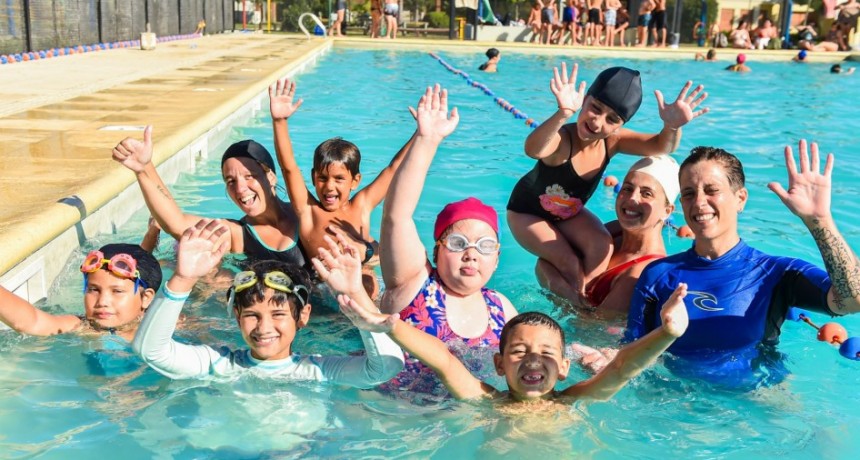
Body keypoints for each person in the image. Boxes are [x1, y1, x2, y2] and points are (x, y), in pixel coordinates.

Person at [623, 141, 860, 384]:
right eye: (689, 193)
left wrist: (819, 220)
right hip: (674, 406)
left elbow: (853, 300)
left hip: (755, 404)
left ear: (740, 198)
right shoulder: (658, 275)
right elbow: (627, 355)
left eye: (712, 190)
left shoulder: (776, 274)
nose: (699, 202)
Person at [336, 263, 690, 404]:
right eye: (519, 351)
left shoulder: (570, 402)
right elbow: (443, 359)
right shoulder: (486, 399)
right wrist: (390, 325)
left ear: (565, 366)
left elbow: (621, 369)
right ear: (499, 363)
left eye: (547, 353)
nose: (534, 358)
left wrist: (667, 333)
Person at [507, 63, 708, 306]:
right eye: (595, 108)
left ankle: (586, 295)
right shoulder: (563, 140)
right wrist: (562, 114)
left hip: (568, 212)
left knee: (602, 245)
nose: (598, 122)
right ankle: (575, 301)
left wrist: (672, 126)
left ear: (620, 125)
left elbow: (661, 145)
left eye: (612, 119)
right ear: (585, 99)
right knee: (568, 261)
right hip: (526, 214)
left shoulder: (612, 142)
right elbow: (533, 149)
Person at [133, 219, 404, 385]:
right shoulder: (219, 365)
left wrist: (356, 297)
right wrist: (183, 278)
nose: (264, 327)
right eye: (252, 314)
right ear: (236, 315)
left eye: (278, 314)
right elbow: (151, 351)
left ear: (303, 316)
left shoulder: (316, 370)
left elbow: (385, 369)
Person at [376, 85, 518, 394]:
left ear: (496, 259)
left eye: (484, 246)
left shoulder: (502, 309)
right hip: (393, 415)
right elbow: (396, 216)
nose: (471, 254)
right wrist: (427, 141)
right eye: (457, 244)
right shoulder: (416, 285)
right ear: (436, 251)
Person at [268, 78, 414, 297]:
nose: (329, 187)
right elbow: (288, 167)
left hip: (368, 298)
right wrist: (279, 122)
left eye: (339, 179)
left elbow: (393, 170)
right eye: (322, 178)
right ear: (313, 177)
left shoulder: (362, 205)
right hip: (326, 296)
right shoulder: (309, 211)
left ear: (355, 181)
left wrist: (422, 135)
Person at [113, 129, 307, 270]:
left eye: (250, 176)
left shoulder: (305, 213)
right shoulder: (238, 234)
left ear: (271, 177)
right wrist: (144, 168)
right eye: (230, 181)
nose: (240, 188)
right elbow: (176, 223)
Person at [537, 155, 679, 315]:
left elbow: (589, 329)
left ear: (667, 211)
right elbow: (545, 258)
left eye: (646, 194)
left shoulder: (641, 272)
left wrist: (558, 286)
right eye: (627, 188)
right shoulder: (614, 231)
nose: (632, 198)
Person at [0, 243, 161, 341]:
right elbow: (31, 322)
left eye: (117, 291)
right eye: (93, 289)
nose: (102, 302)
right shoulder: (82, 326)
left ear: (146, 298)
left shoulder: (163, 328)